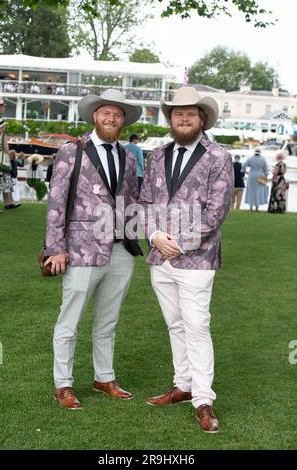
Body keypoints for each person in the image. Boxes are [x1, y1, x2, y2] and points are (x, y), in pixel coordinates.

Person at [139, 87, 233, 433]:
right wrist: (153, 237)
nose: (183, 118)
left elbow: (217, 209)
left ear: (202, 119)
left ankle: (204, 399)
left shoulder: (218, 157)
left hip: (197, 259)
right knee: (175, 325)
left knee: (196, 326)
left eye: (190, 114)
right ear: (170, 119)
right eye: (177, 114)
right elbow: (145, 202)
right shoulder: (157, 155)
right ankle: (183, 384)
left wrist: (181, 243)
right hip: (159, 257)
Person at [44, 89, 142, 410]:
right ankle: (64, 384)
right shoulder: (71, 152)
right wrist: (55, 248)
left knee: (108, 321)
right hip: (81, 250)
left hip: (120, 250)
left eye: (117, 115)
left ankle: (104, 377)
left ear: (123, 120)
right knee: (69, 320)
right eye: (106, 113)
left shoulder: (128, 156)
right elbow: (57, 203)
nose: (111, 119)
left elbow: (130, 200)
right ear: (95, 116)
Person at [0, 98, 21, 210]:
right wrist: (7, 153)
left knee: (5, 179)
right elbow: (3, 139)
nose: (4, 108)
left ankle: (8, 202)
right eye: (2, 106)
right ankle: (7, 203)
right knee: (1, 179)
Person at [241, 147, 269, 212]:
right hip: (260, 175)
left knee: (251, 191)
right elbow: (266, 170)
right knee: (258, 192)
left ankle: (251, 207)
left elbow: (243, 166)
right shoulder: (263, 159)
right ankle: (257, 208)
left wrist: (246, 172)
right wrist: (266, 176)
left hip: (251, 175)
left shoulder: (250, 158)